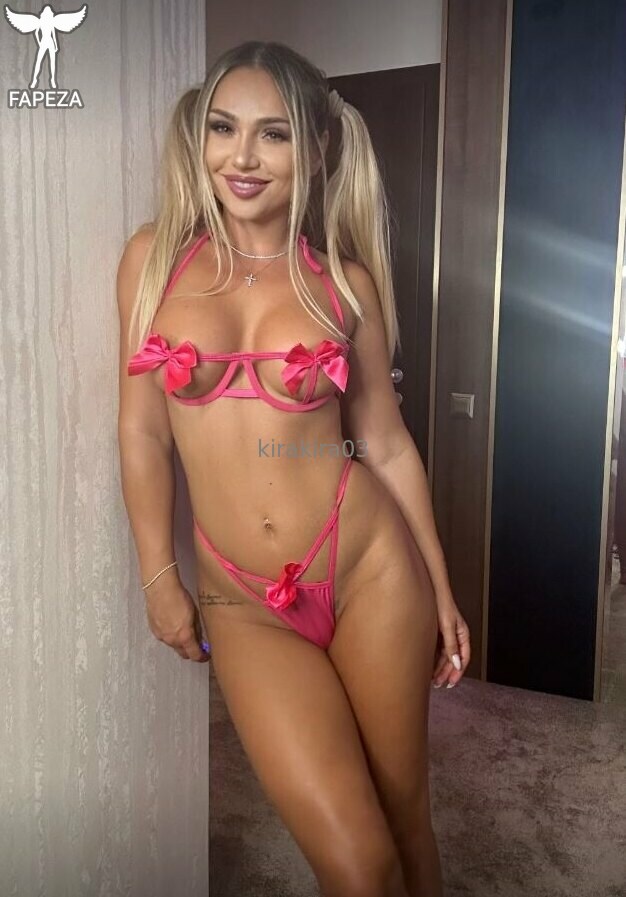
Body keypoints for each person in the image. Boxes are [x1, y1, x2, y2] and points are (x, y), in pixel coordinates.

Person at [116, 40, 470, 897]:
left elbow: (385, 443)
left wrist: (441, 586)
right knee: (357, 863)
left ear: (315, 150)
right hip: (242, 600)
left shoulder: (344, 284)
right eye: (224, 128)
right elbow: (143, 432)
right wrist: (159, 576)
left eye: (272, 134)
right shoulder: (153, 261)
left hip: (368, 567)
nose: (242, 157)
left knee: (404, 817)